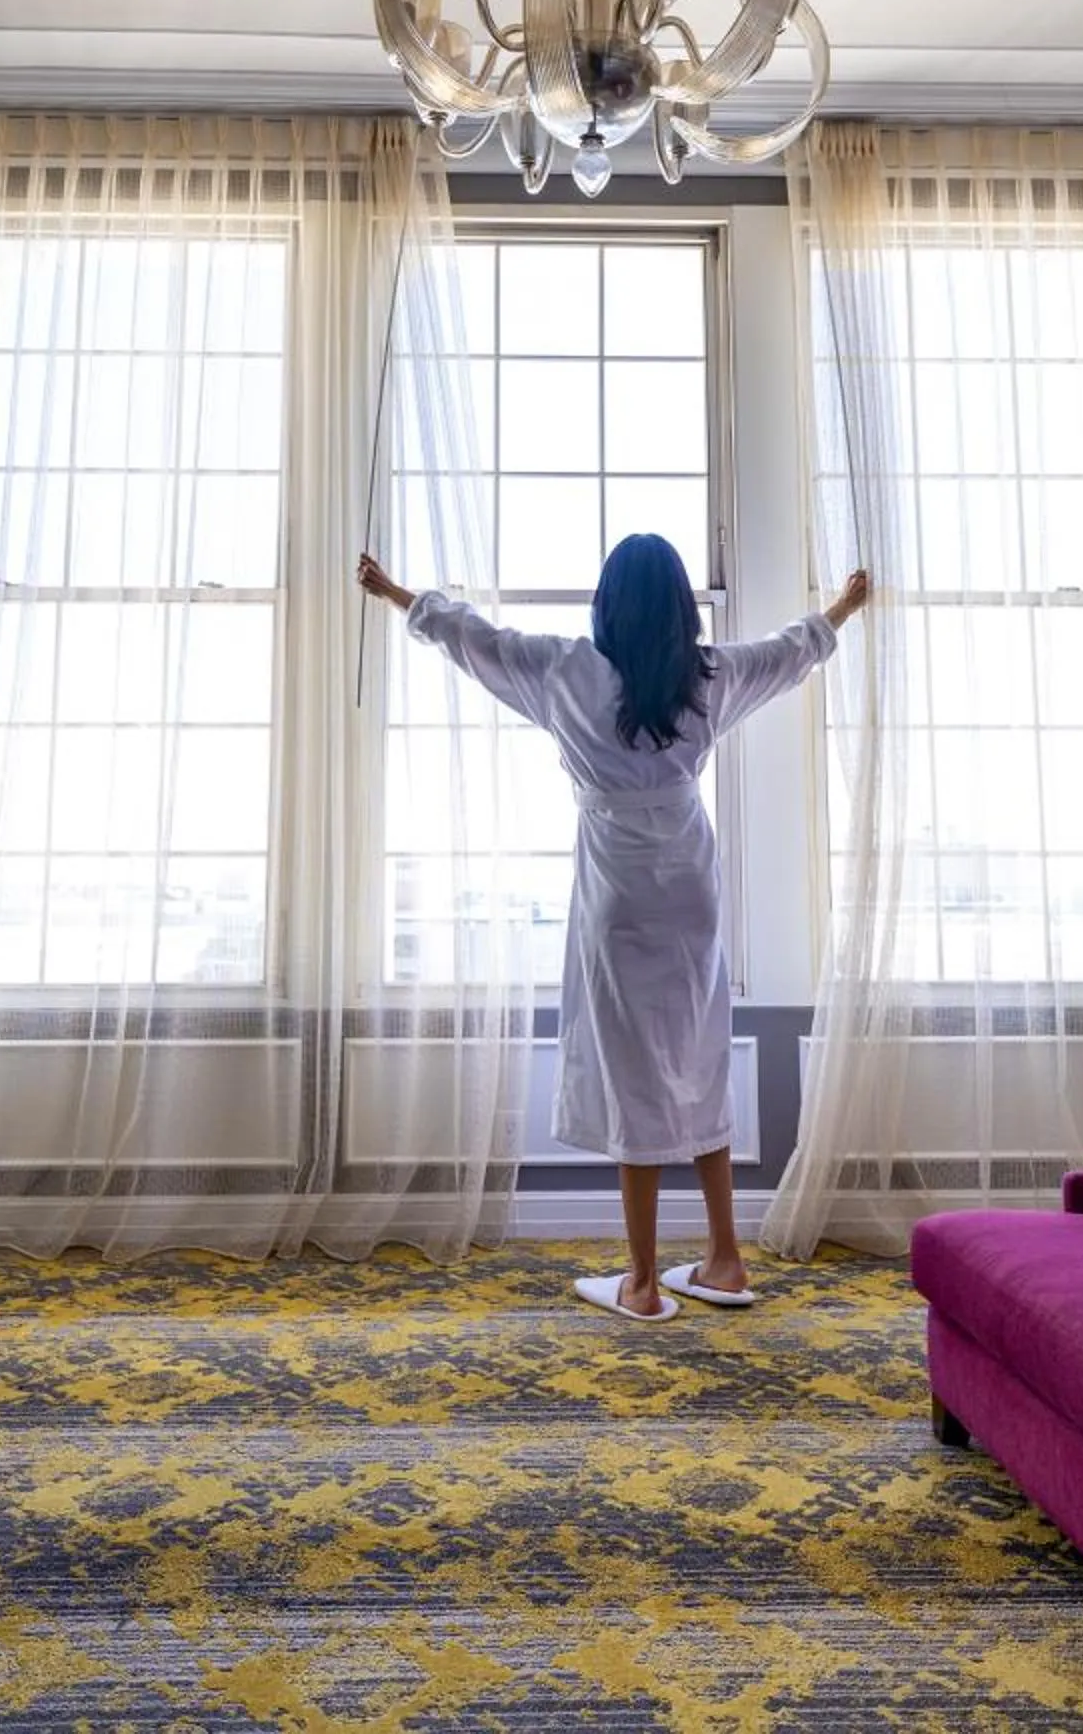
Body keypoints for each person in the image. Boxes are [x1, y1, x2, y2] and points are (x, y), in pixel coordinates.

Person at [361, 534, 872, 1320]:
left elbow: (474, 640)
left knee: (633, 1071)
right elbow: (787, 654)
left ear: (606, 605)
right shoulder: (706, 677)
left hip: (618, 886)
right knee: (701, 1054)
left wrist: (399, 595)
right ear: (677, 607)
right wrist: (842, 604)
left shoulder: (568, 671)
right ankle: (725, 1261)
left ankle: (640, 1282)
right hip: (690, 881)